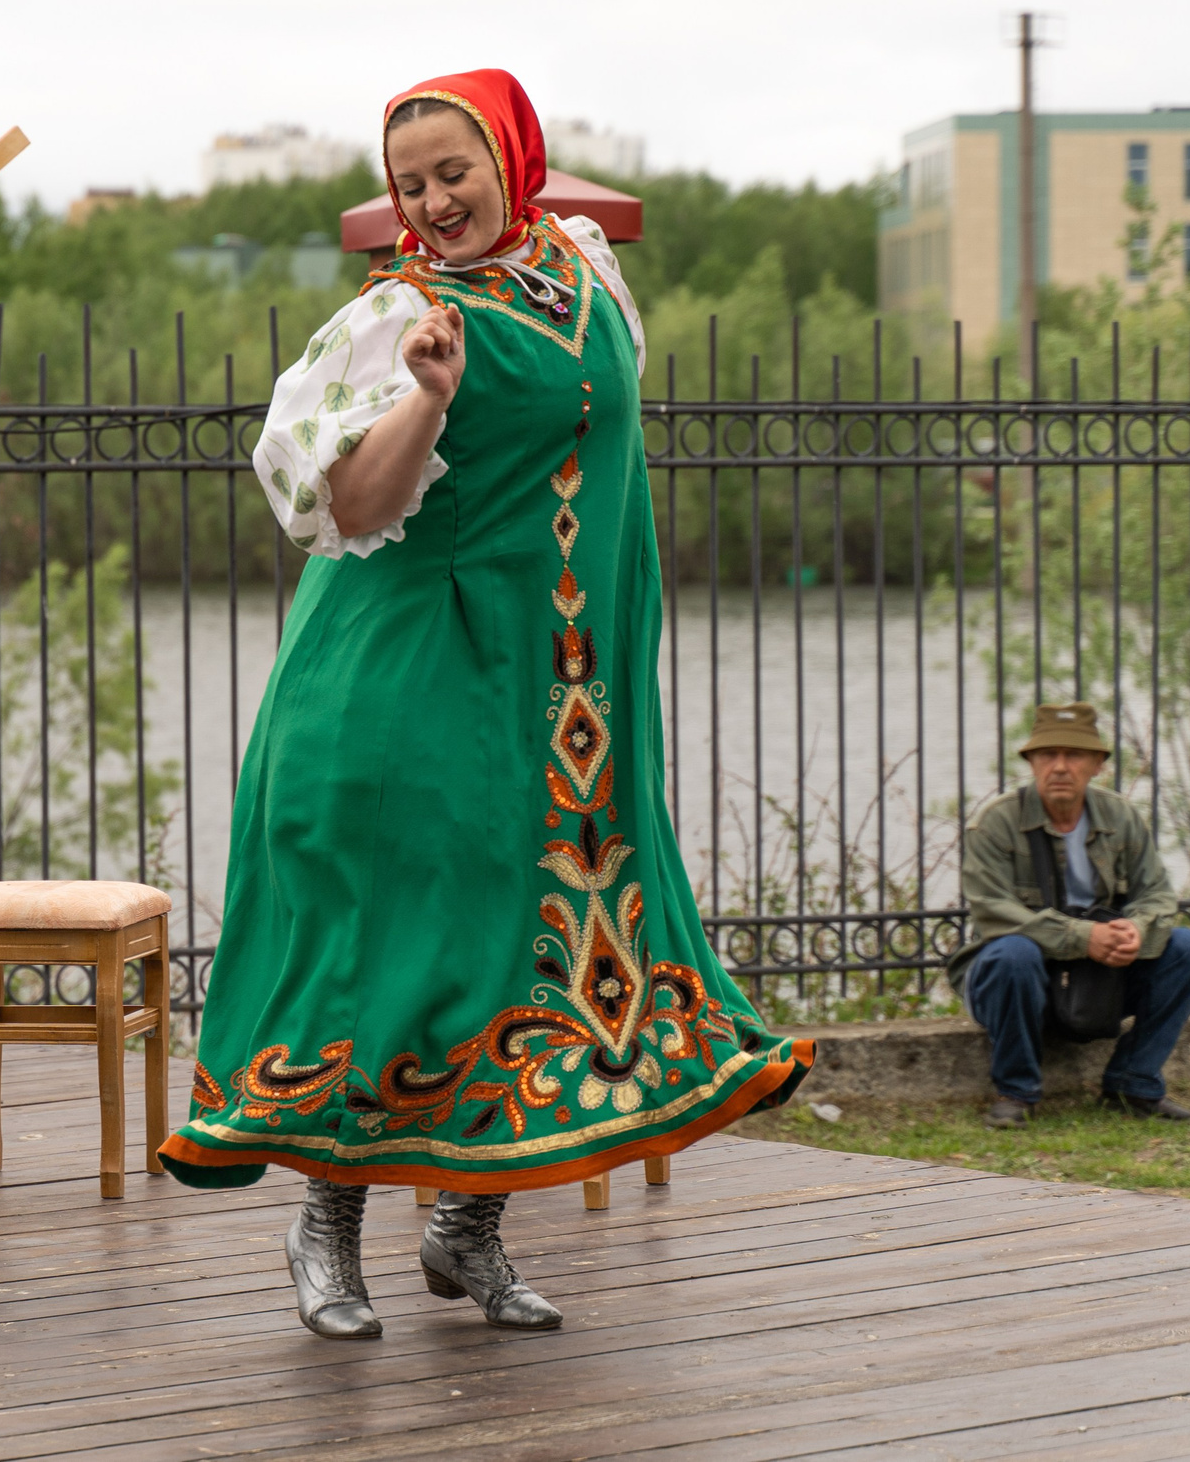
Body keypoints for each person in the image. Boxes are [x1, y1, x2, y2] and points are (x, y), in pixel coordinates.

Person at [157, 71, 812, 1341]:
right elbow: (345, 510)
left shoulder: (581, 271)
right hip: (406, 678)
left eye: (453, 170)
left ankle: (466, 1230)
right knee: (389, 944)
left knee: (522, 935)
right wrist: (428, 396)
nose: (433, 199)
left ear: (513, 159)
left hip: (554, 682)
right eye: (409, 183)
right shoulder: (399, 314)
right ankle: (327, 1227)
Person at [950, 702, 1190, 1129]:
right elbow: (993, 910)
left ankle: (1134, 1082)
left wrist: (1135, 931)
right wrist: (1082, 936)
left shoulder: (1120, 816)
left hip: (1098, 977)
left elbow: (1158, 895)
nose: (1060, 767)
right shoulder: (995, 824)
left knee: (1188, 948)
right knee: (1013, 953)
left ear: (1097, 765)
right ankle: (1015, 1092)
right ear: (1031, 762)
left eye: (1074, 756)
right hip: (1015, 979)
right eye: (1048, 755)